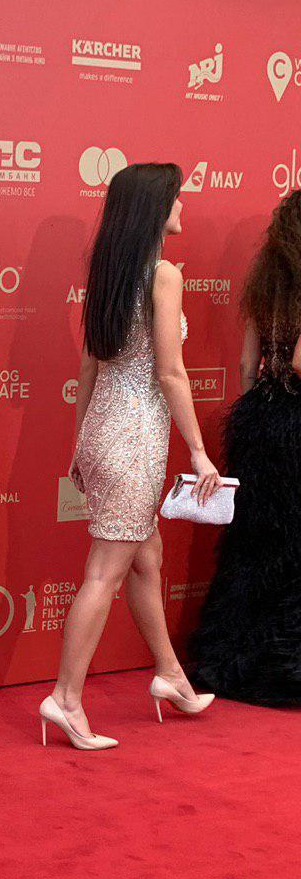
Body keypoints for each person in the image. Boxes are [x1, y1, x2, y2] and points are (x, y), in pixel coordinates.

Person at [42, 163, 219, 751]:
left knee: (146, 559)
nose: (183, 206)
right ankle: (66, 698)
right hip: (136, 438)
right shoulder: (163, 275)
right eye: (176, 197)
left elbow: (89, 366)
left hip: (103, 433)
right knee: (104, 572)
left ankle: (171, 675)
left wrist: (79, 443)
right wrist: (199, 451)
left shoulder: (111, 273)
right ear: (154, 208)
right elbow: (170, 372)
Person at [188, 189, 301, 706]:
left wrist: (259, 412)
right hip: (296, 426)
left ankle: (228, 660)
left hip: (260, 422)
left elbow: (244, 365)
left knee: (253, 547)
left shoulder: (265, 280)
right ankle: (286, 668)